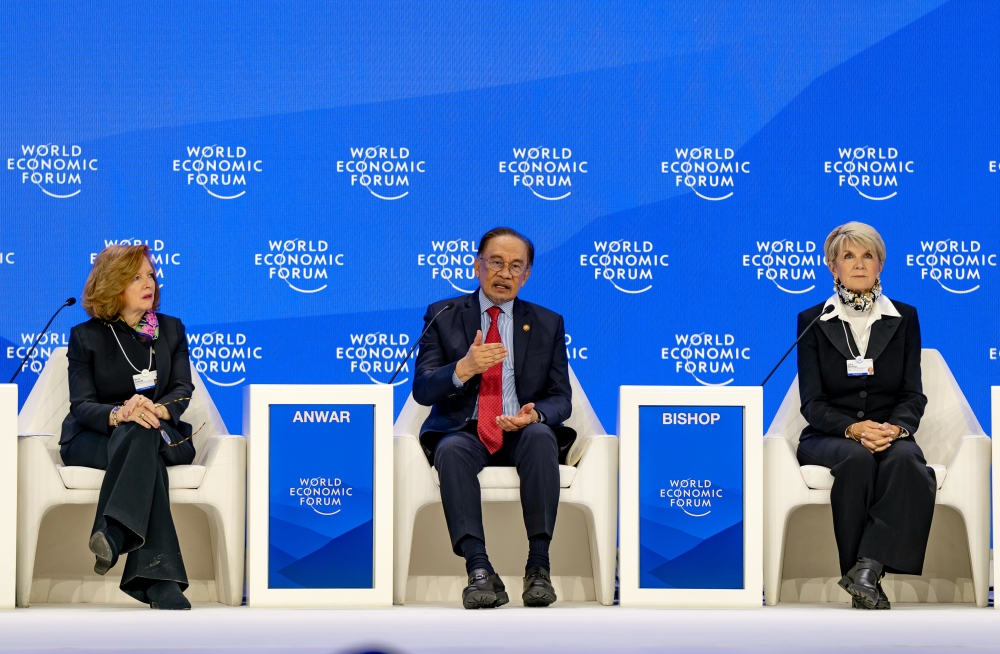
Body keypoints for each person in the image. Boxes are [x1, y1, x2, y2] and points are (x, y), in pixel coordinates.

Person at [413, 227, 574, 609]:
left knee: (541, 436)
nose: (505, 274)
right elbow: (422, 389)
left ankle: (539, 566)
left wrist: (535, 413)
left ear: (527, 275)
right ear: (477, 266)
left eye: (516, 266)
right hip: (464, 429)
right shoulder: (444, 315)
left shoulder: (548, 322)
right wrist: (463, 368)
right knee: (450, 450)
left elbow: (560, 398)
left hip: (519, 430)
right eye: (496, 263)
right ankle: (478, 568)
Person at [795, 222, 933, 610]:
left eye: (867, 255)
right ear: (832, 267)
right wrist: (852, 429)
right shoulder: (812, 321)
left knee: (908, 461)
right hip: (831, 435)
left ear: (880, 265)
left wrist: (896, 429)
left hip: (888, 432)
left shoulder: (904, 317)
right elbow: (813, 403)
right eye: (848, 256)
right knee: (856, 460)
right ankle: (862, 572)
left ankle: (866, 571)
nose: (859, 264)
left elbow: (912, 393)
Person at [60, 244, 197, 610]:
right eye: (135, 277)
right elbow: (82, 404)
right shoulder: (86, 337)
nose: (147, 283)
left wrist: (155, 409)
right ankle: (159, 580)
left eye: (150, 275)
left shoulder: (171, 330)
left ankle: (115, 530)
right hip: (96, 436)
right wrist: (123, 413)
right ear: (112, 285)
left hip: (162, 430)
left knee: (145, 430)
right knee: (140, 440)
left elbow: (182, 388)